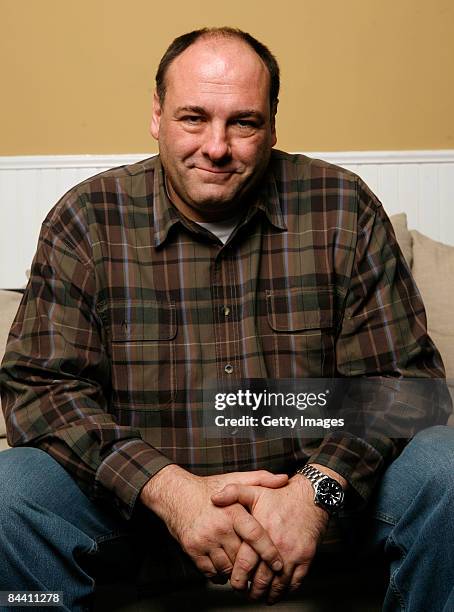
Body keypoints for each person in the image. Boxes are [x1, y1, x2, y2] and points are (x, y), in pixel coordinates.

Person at [0, 27, 453, 612]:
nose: (217, 146)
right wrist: (171, 493)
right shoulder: (88, 218)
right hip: (139, 524)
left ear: (271, 125)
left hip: (334, 514)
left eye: (243, 122)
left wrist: (314, 496)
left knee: (444, 467)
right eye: (194, 118)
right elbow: (39, 387)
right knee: (10, 492)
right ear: (157, 116)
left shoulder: (342, 207)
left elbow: (408, 385)